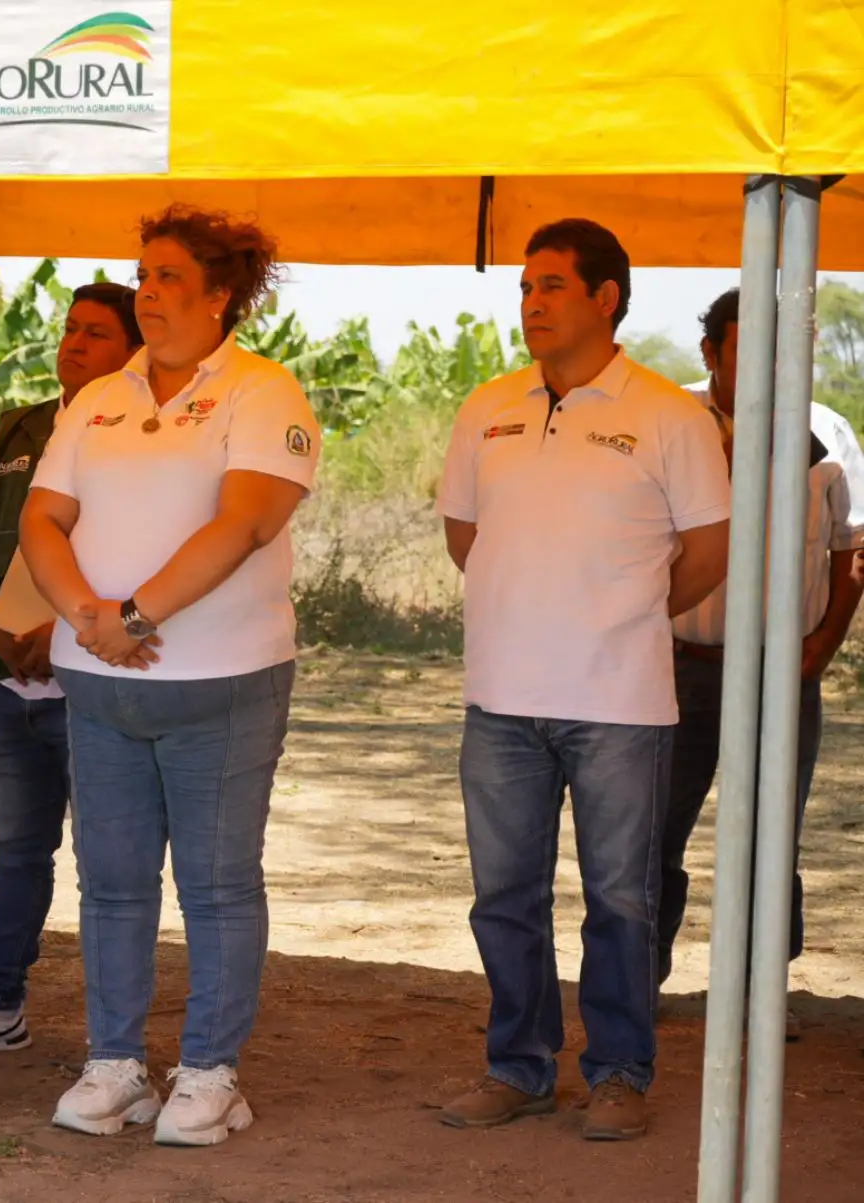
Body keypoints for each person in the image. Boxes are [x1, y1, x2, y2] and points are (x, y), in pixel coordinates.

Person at [21, 206, 318, 1148]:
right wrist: (87, 619)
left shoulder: (264, 393)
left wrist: (135, 615)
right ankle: (114, 1062)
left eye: (168, 278)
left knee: (218, 883)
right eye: (141, 276)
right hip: (102, 681)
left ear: (220, 295)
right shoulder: (97, 396)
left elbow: (244, 523)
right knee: (109, 882)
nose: (147, 292)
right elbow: (40, 522)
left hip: (220, 683)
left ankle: (210, 1073)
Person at [435, 220, 730, 1140]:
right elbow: (463, 537)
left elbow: (707, 551)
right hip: (501, 702)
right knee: (505, 898)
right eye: (525, 287)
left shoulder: (669, 414)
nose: (532, 302)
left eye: (552, 285)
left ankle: (617, 1074)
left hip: (620, 704)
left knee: (623, 900)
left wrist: (621, 610)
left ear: (606, 298)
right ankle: (518, 1067)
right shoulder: (486, 406)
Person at [0, 283, 142, 1059]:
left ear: (136, 350)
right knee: (17, 852)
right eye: (69, 330)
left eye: (96, 334)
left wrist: (68, 629)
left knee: (111, 861)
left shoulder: (148, 436)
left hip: (94, 678)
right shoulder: (20, 426)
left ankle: (115, 1037)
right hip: (10, 682)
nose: (72, 344)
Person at [658, 288, 864, 1035]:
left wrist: (822, 645)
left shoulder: (827, 432)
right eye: (751, 352)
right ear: (710, 351)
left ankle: (753, 999)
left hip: (785, 674)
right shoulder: (665, 422)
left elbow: (854, 548)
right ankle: (633, 988)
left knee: (769, 839)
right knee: (650, 833)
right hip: (673, 671)